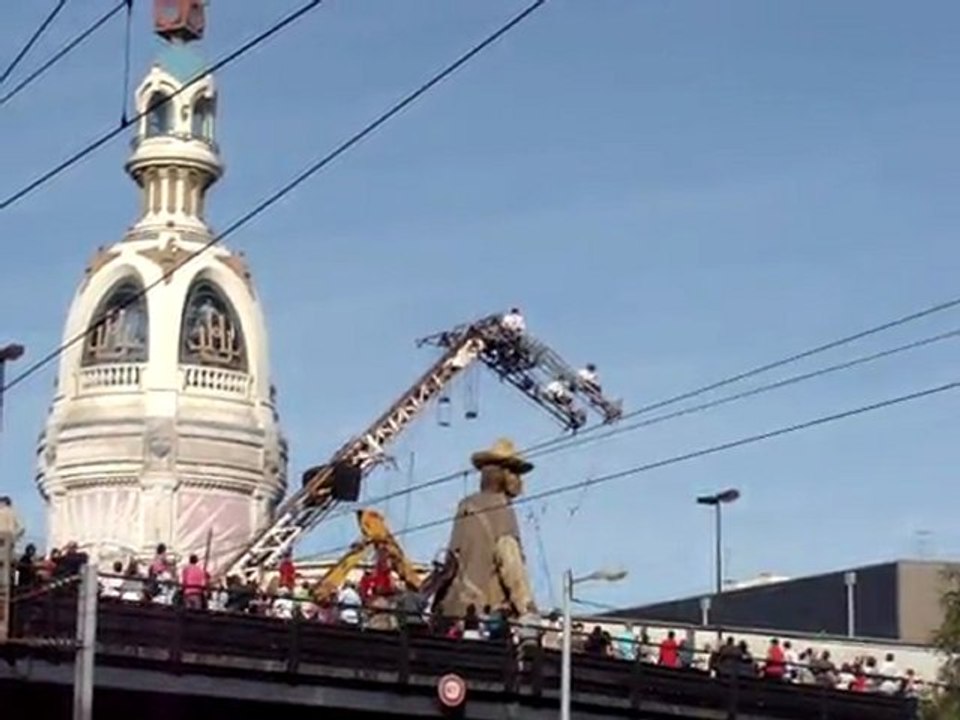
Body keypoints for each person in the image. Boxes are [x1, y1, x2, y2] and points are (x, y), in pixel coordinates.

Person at [436, 438, 535, 619]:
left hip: (452, 612)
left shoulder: (466, 505)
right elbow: (511, 566)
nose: (520, 481)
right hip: (487, 615)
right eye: (516, 473)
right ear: (504, 474)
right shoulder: (501, 509)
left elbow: (451, 562)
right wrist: (528, 609)